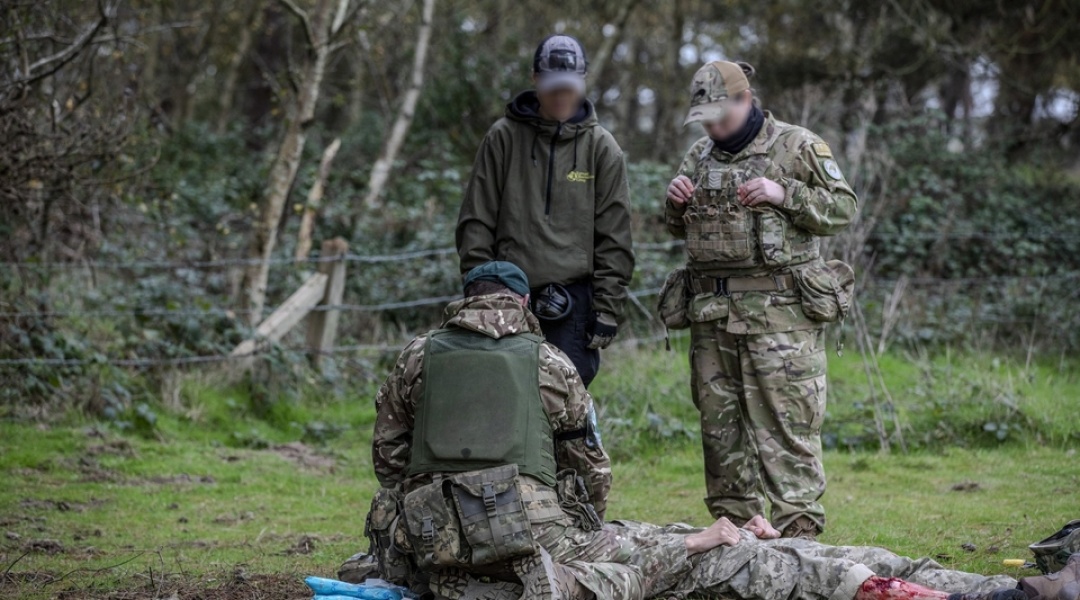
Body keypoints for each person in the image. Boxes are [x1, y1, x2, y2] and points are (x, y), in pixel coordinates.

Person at [357, 262, 1072, 600]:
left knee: (717, 545)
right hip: (547, 542)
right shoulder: (547, 361)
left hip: (434, 542)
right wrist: (587, 526)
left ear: (467, 301)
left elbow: (389, 458)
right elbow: (588, 465)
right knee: (749, 559)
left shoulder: (415, 357)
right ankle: (992, 591)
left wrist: (430, 513)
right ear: (518, 303)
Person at [663, 60, 859, 539]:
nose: (712, 126)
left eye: (720, 116)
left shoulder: (797, 145)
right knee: (720, 435)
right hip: (713, 320)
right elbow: (676, 227)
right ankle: (735, 542)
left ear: (745, 100)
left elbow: (844, 209)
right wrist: (674, 202)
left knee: (787, 432)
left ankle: (800, 545)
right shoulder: (699, 155)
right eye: (705, 118)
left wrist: (783, 192)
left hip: (782, 322)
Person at [455, 34, 635, 389]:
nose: (561, 97)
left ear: (583, 82)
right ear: (535, 79)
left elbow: (615, 235)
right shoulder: (502, 137)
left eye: (569, 87)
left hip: (573, 304)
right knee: (502, 397)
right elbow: (476, 219)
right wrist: (482, 291)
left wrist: (607, 307)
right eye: (553, 88)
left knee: (564, 404)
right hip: (504, 297)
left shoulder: (603, 148)